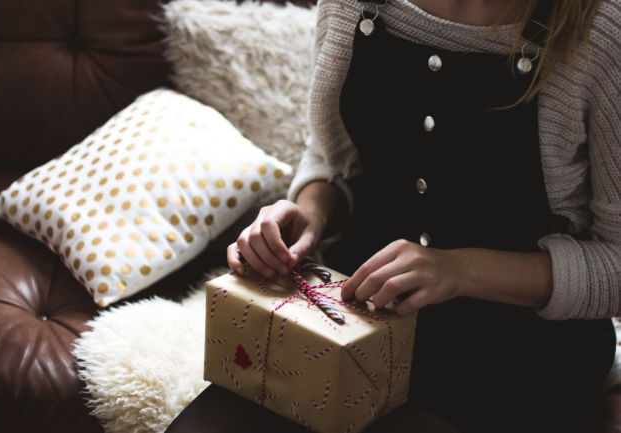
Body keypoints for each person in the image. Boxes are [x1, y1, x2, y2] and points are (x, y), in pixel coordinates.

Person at [227, 0, 621, 431]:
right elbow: (330, 154)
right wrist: (311, 212)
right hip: (350, 323)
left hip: (520, 359)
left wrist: (459, 270)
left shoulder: (603, 25)